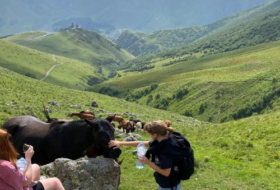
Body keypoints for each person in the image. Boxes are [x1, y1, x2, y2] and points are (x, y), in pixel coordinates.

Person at [109, 120, 182, 190]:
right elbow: (142, 143)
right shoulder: (162, 140)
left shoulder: (166, 149)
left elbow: (166, 173)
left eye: (149, 133)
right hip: (165, 183)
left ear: (155, 135)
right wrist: (121, 143)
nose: (148, 134)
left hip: (169, 186)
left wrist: (148, 162)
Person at [0, 129, 65, 190]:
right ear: (4, 145)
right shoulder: (4, 166)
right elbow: (25, 182)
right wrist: (28, 158)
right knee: (55, 181)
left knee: (35, 167)